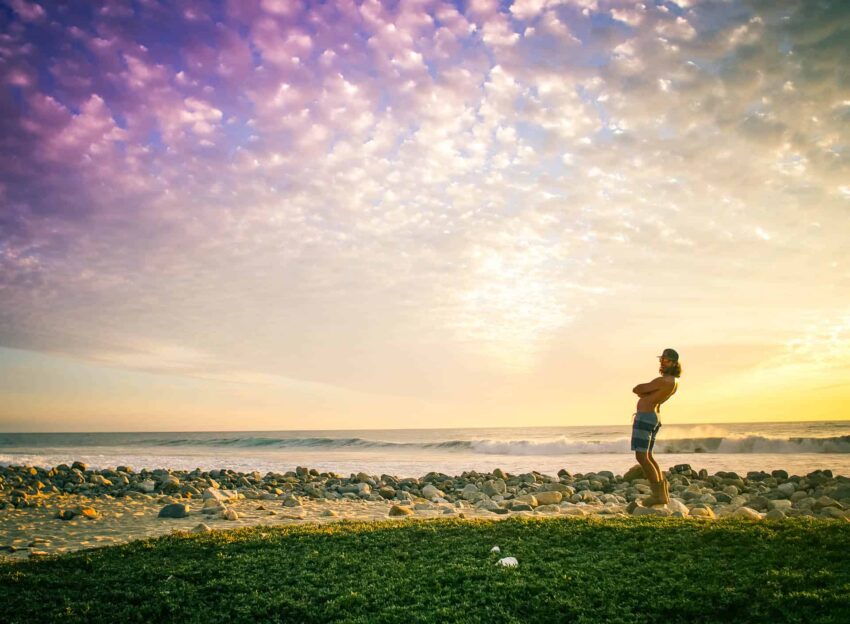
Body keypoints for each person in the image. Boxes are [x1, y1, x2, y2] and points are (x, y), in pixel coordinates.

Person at [631, 348, 681, 506]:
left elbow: (638, 388)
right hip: (653, 416)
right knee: (649, 456)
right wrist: (647, 394)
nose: (662, 362)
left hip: (646, 417)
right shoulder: (673, 382)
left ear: (674, 363)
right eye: (661, 359)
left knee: (641, 456)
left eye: (666, 360)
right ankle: (662, 494)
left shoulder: (663, 381)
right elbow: (646, 392)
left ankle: (657, 495)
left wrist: (645, 393)